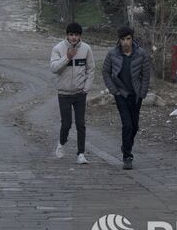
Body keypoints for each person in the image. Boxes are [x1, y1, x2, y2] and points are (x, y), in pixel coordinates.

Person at [102, 25, 151, 170]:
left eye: (128, 39)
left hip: (136, 95)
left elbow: (146, 75)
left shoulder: (141, 54)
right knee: (127, 125)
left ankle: (125, 146)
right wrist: (114, 91)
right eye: (122, 39)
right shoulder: (112, 54)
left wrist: (142, 93)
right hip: (121, 94)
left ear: (132, 39)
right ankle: (127, 156)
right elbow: (106, 72)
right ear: (119, 40)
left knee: (135, 126)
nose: (125, 43)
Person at [49, 22, 93, 165]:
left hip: (80, 93)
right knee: (66, 123)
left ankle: (80, 154)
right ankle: (61, 143)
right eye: (71, 35)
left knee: (81, 124)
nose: (74, 38)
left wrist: (86, 88)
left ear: (80, 36)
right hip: (64, 93)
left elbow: (90, 69)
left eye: (76, 35)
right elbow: (54, 68)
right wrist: (67, 57)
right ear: (67, 35)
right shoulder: (58, 48)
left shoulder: (86, 49)